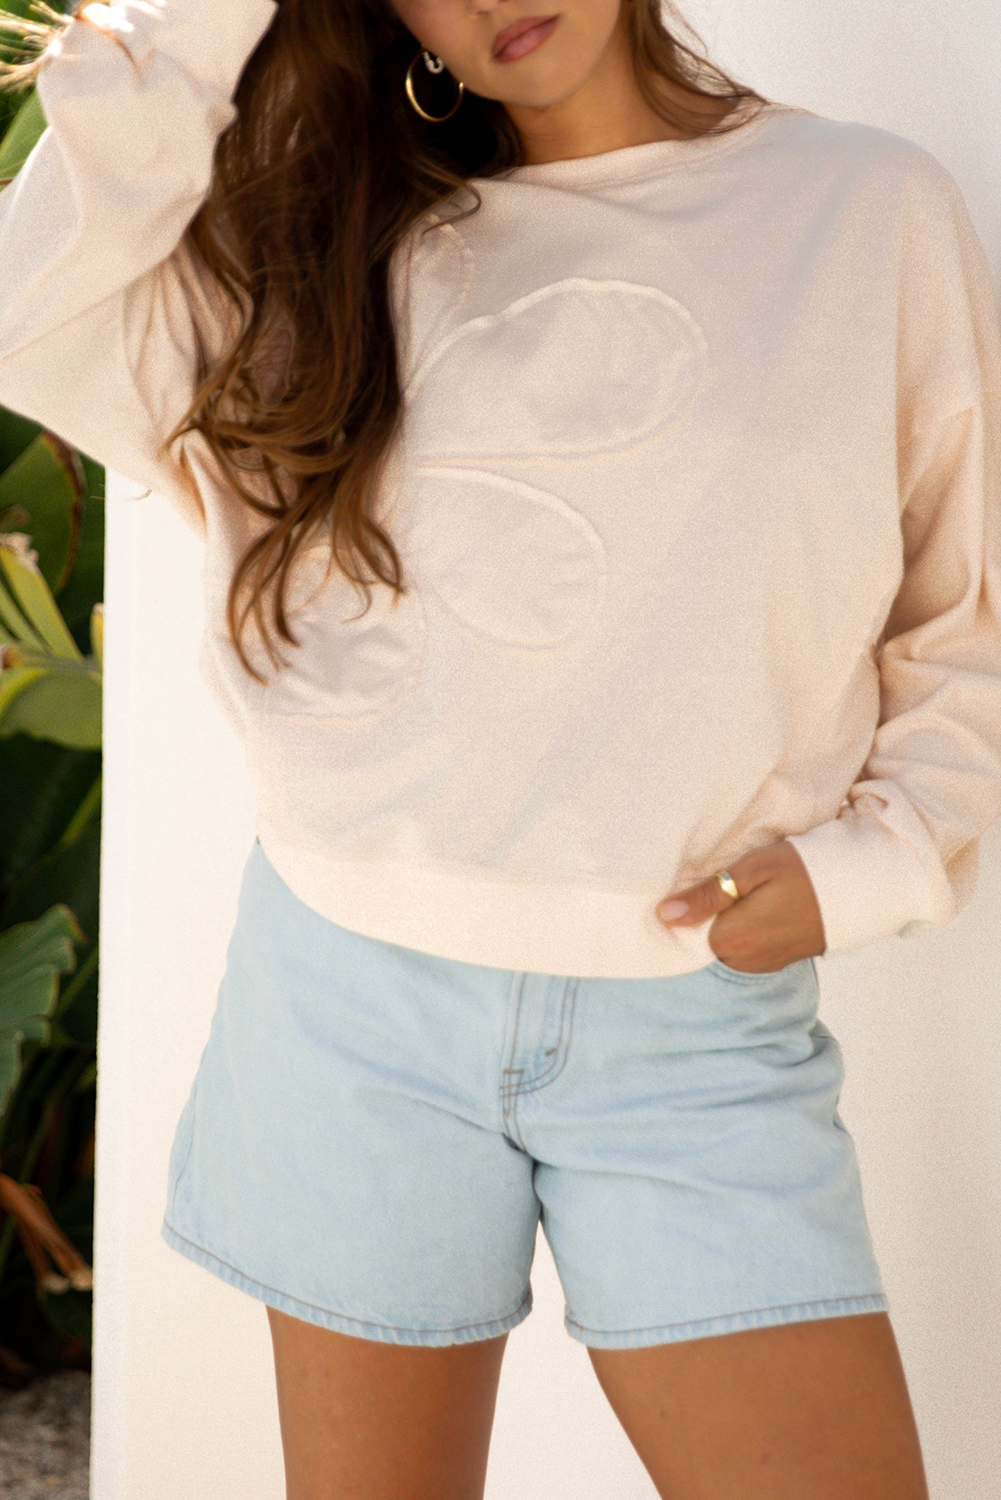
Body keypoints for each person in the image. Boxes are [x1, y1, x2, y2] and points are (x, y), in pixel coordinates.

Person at [2, 0, 999, 1493]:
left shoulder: (864, 209)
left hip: (694, 1026)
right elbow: (27, 306)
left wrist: (875, 864)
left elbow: (964, 620)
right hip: (351, 1005)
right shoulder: (324, 246)